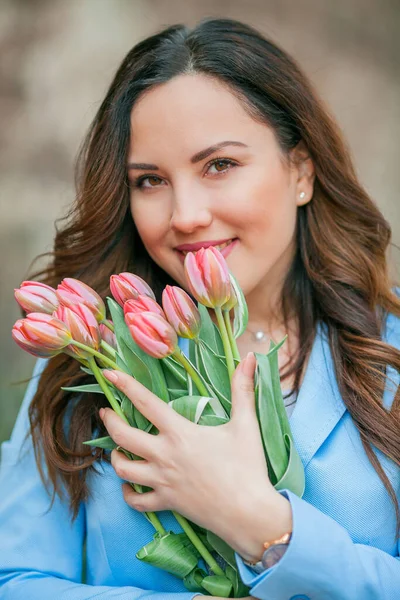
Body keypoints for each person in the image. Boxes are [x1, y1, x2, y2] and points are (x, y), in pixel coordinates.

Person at [1, 17, 399, 600]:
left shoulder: (388, 354)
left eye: (220, 165)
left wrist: (264, 527)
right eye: (150, 180)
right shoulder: (92, 360)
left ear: (301, 173)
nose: (184, 215)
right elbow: (15, 580)